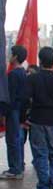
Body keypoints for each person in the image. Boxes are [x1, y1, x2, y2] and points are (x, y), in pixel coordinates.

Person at [23, 46, 53, 189]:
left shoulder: (32, 79)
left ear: (40, 61)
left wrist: (24, 118)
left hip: (37, 120)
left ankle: (43, 187)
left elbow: (25, 100)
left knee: (40, 155)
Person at [0, 45, 28, 179]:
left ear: (15, 56)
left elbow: (9, 97)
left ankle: (14, 169)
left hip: (12, 111)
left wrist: (4, 114)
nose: (7, 56)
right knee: (18, 139)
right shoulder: (23, 73)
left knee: (12, 140)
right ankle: (18, 166)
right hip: (19, 110)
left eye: (10, 53)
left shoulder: (12, 75)